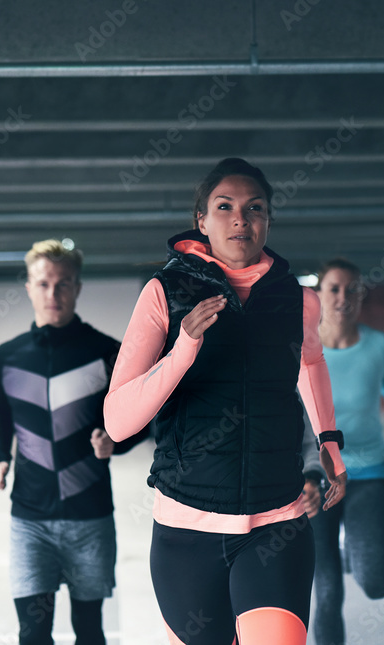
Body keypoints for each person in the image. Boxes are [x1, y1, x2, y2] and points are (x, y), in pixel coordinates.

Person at [104, 157, 348, 645]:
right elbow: (117, 422)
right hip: (185, 526)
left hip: (276, 520)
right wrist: (184, 348)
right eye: (225, 206)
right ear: (202, 220)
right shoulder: (164, 293)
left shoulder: (299, 300)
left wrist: (330, 444)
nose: (241, 218)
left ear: (268, 220)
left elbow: (311, 362)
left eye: (254, 207)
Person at [0, 239, 146, 645]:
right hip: (29, 520)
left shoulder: (108, 352)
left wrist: (116, 441)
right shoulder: (6, 357)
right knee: (33, 632)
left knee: (90, 631)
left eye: (62, 284)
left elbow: (143, 418)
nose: (52, 294)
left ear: (77, 287)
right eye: (43, 284)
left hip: (89, 516)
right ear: (28, 287)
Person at [302, 257, 384, 645]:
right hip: (318, 477)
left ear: (362, 296)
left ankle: (350, 545)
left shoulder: (378, 346)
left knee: (376, 584)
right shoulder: (301, 348)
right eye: (334, 288)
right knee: (328, 594)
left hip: (368, 473)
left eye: (352, 289)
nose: (343, 297)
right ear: (318, 295)